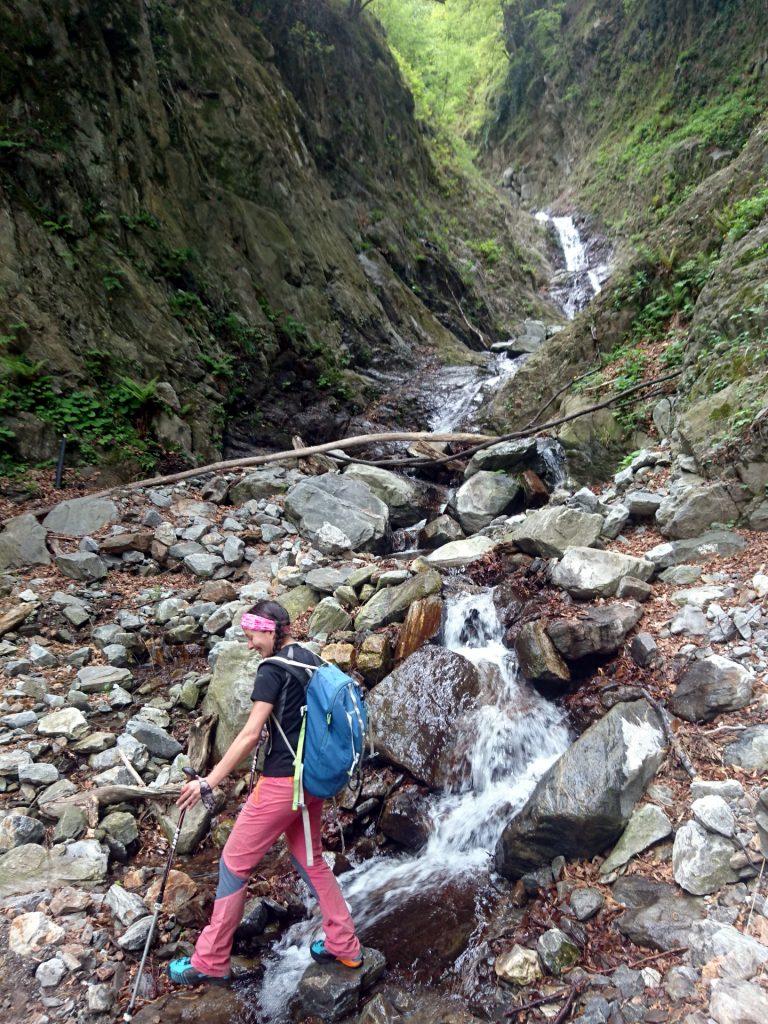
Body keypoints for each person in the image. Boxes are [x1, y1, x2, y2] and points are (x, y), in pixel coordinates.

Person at [167, 600, 363, 986]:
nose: (250, 644)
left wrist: (209, 780)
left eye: (252, 635)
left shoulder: (272, 670)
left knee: (232, 863)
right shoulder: (310, 659)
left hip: (280, 785)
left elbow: (250, 734)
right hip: (310, 783)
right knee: (311, 861)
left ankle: (209, 960)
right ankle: (345, 944)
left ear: (271, 630)